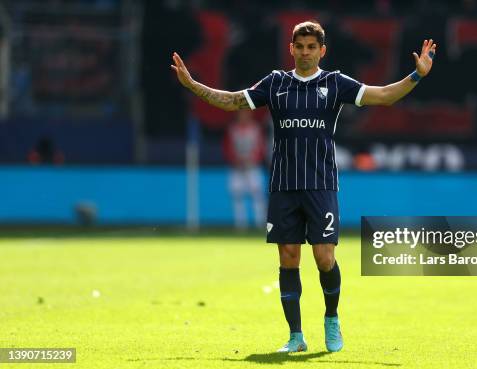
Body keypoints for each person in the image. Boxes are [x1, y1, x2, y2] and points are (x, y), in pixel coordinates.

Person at [172, 20, 436, 353]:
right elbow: (231, 101)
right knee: (288, 257)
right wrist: (193, 84)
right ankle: (295, 336)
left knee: (325, 258)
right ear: (291, 49)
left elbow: (383, 96)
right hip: (283, 184)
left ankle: (331, 317)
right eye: (300, 46)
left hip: (321, 184)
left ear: (322, 51)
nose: (306, 52)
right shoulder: (276, 83)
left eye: (312, 47)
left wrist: (417, 75)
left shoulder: (335, 83)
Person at [223, 110, 267, 230]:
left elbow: (261, 147)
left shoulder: (256, 128)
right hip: (236, 168)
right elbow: (227, 147)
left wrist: (253, 159)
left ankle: (260, 223)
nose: (244, 116)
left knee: (258, 196)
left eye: (246, 113)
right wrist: (235, 159)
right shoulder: (232, 129)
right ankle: (240, 225)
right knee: (237, 196)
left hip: (253, 167)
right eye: (241, 113)